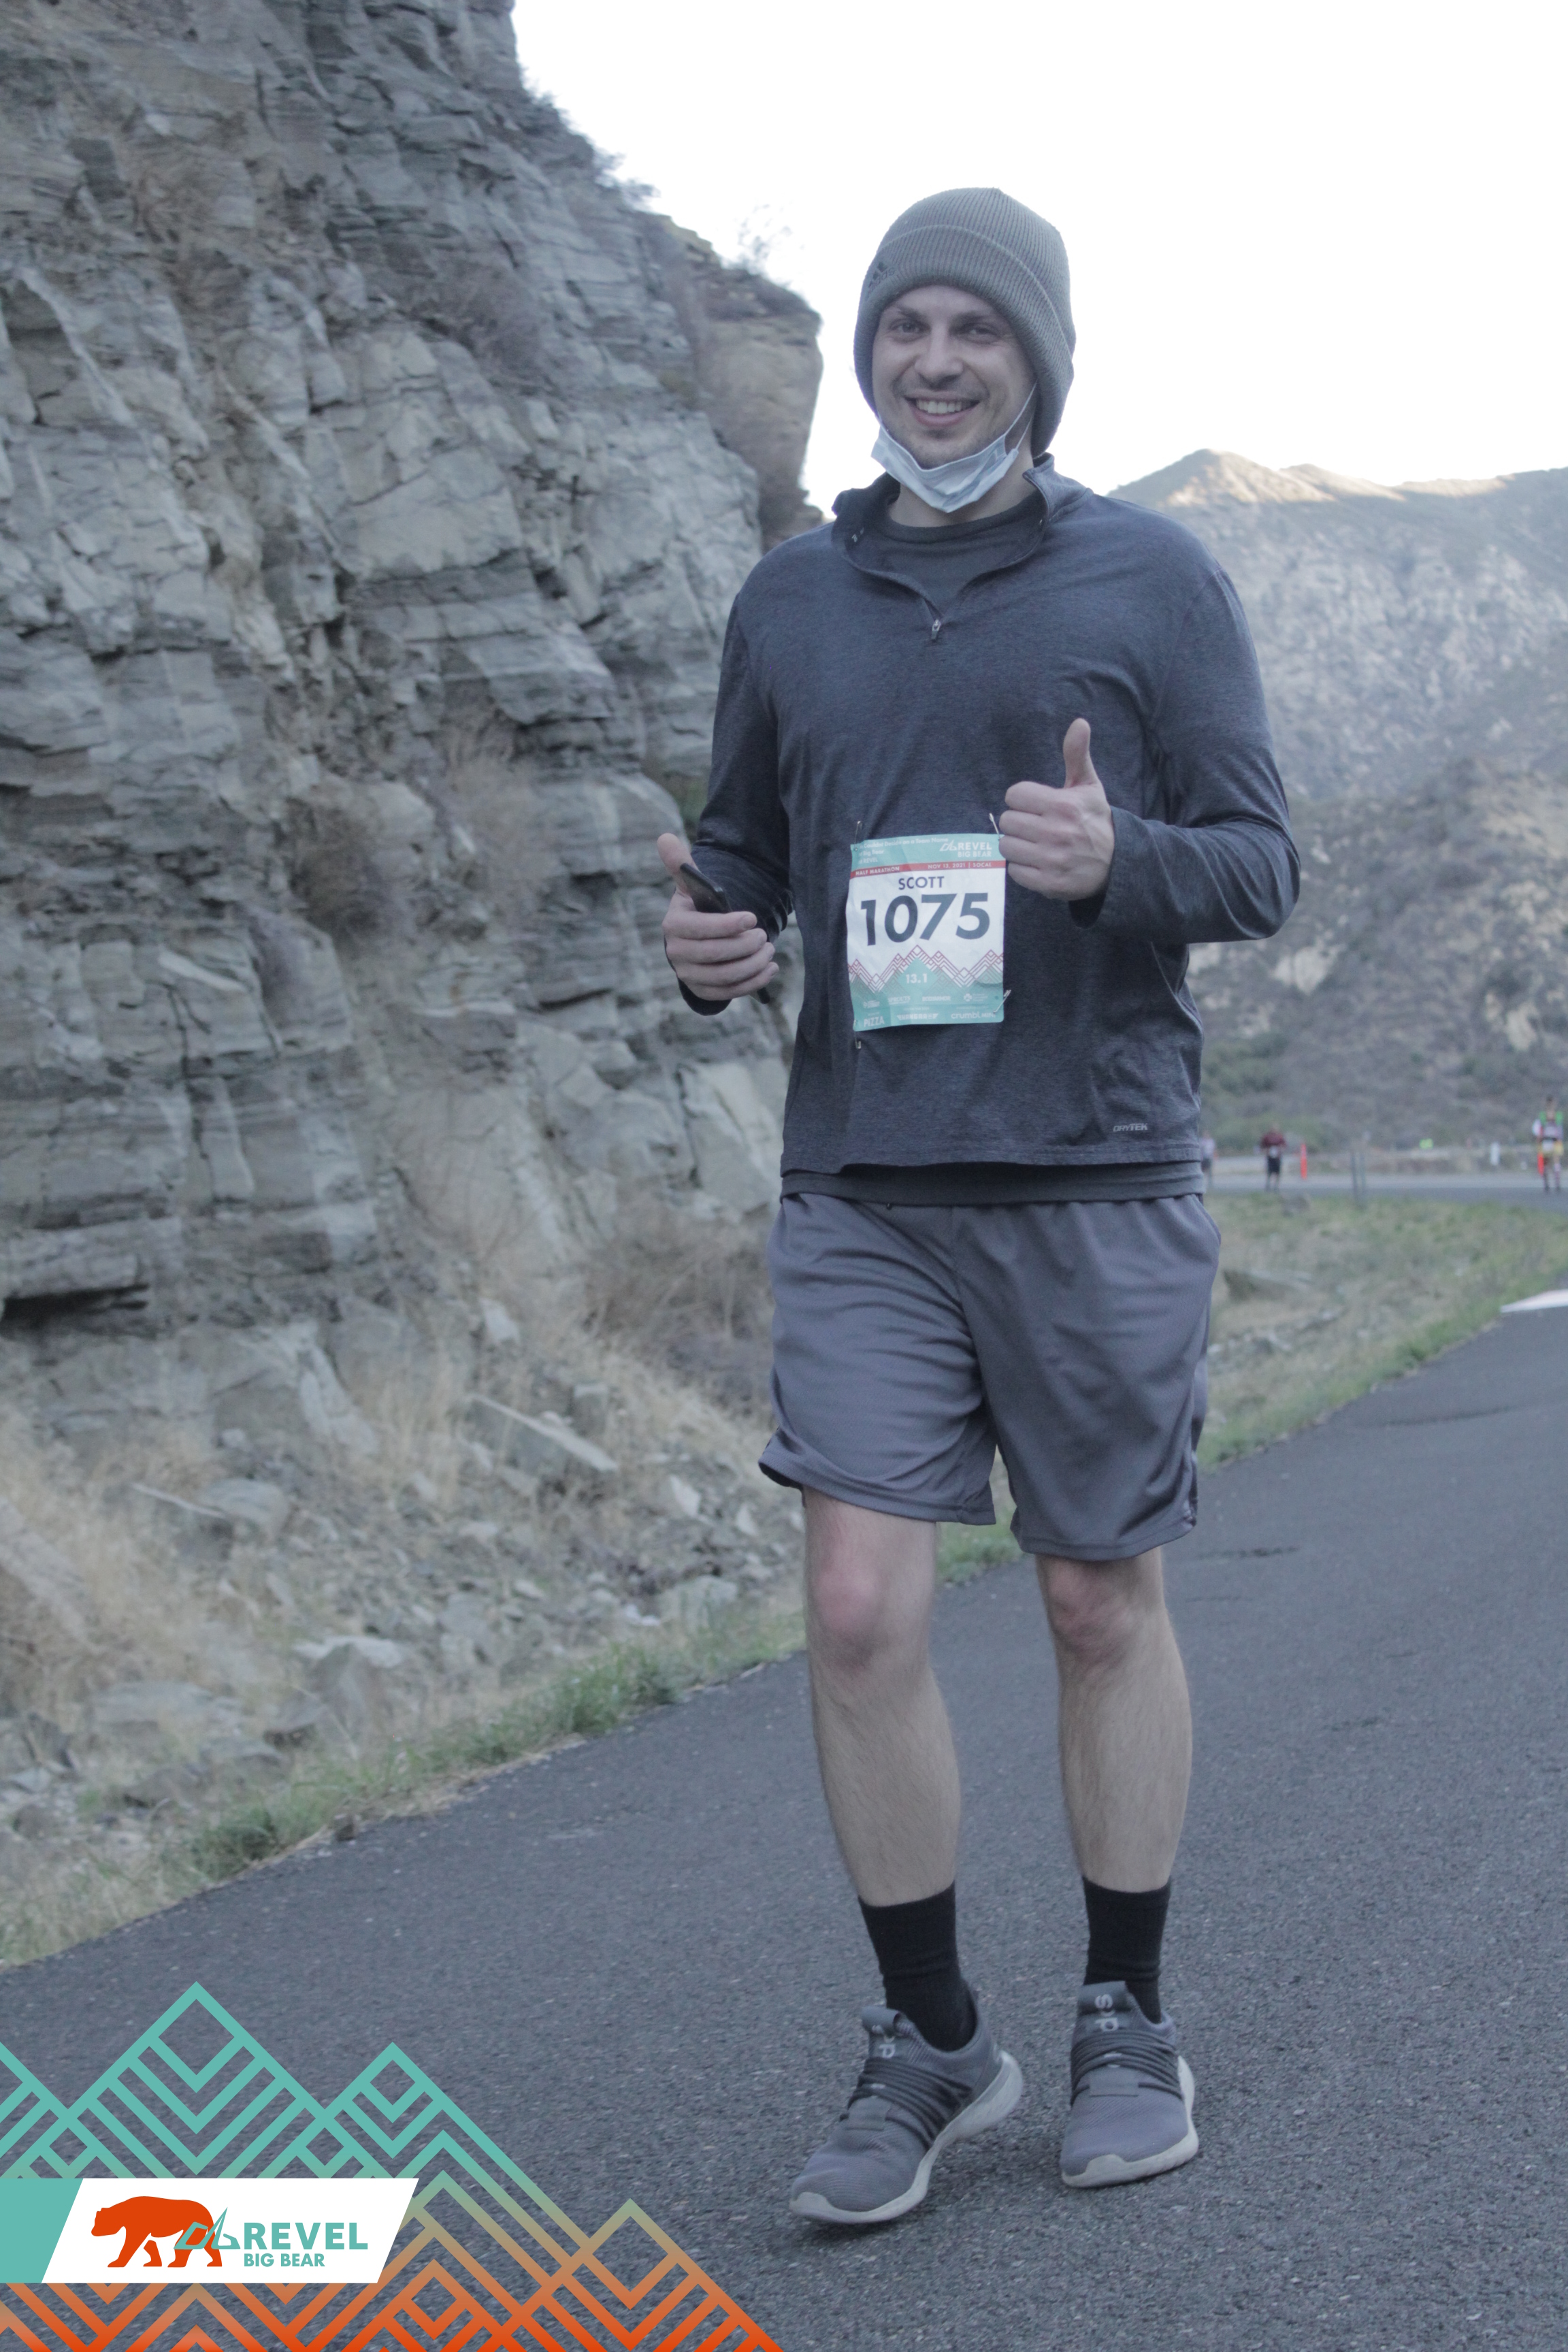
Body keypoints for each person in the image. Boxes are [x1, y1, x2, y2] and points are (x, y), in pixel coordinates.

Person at [656, 186, 1298, 2224]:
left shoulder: (1154, 578)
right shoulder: (791, 601)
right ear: (871, 350)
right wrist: (714, 941)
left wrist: (1122, 862)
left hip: (1095, 1168)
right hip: (867, 1178)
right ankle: (933, 2037)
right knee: (856, 1610)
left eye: (978, 330)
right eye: (905, 326)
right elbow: (743, 858)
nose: (935, 362)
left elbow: (1261, 860)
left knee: (1097, 1600)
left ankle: (1127, 2015)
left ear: (1039, 360)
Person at [1533, 1100, 1563, 1192]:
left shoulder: (1558, 1116)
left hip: (1554, 1141)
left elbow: (1559, 1128)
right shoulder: (1542, 1117)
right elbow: (1537, 1130)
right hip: (1546, 1141)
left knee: (1556, 1160)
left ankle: (1557, 1182)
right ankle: (1547, 1183)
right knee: (1546, 1162)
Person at [1259, 1126, 1286, 1192]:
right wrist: (1266, 1151)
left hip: (1277, 1156)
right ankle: (1268, 1184)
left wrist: (1281, 1150)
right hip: (1270, 1156)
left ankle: (1276, 1185)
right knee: (1270, 1171)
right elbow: (1262, 1145)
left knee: (1277, 1171)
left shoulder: (1280, 1137)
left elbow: (1284, 1145)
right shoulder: (1267, 1137)